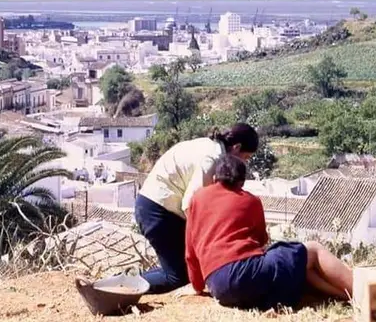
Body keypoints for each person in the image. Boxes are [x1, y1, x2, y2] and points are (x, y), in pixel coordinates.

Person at [185, 155, 353, 310]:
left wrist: (197, 286)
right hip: (246, 274)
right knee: (312, 250)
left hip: (218, 287)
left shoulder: (197, 198)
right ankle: (362, 289)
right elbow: (260, 242)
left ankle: (346, 296)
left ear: (215, 178)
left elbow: (190, 251)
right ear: (242, 182)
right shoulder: (251, 201)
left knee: (301, 265)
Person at [135, 123, 259, 294]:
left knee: (181, 270)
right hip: (158, 209)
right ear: (236, 147)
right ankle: (124, 286)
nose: (244, 163)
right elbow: (190, 205)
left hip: (159, 205)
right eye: (246, 157)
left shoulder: (210, 146)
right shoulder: (213, 159)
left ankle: (127, 280)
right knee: (177, 276)